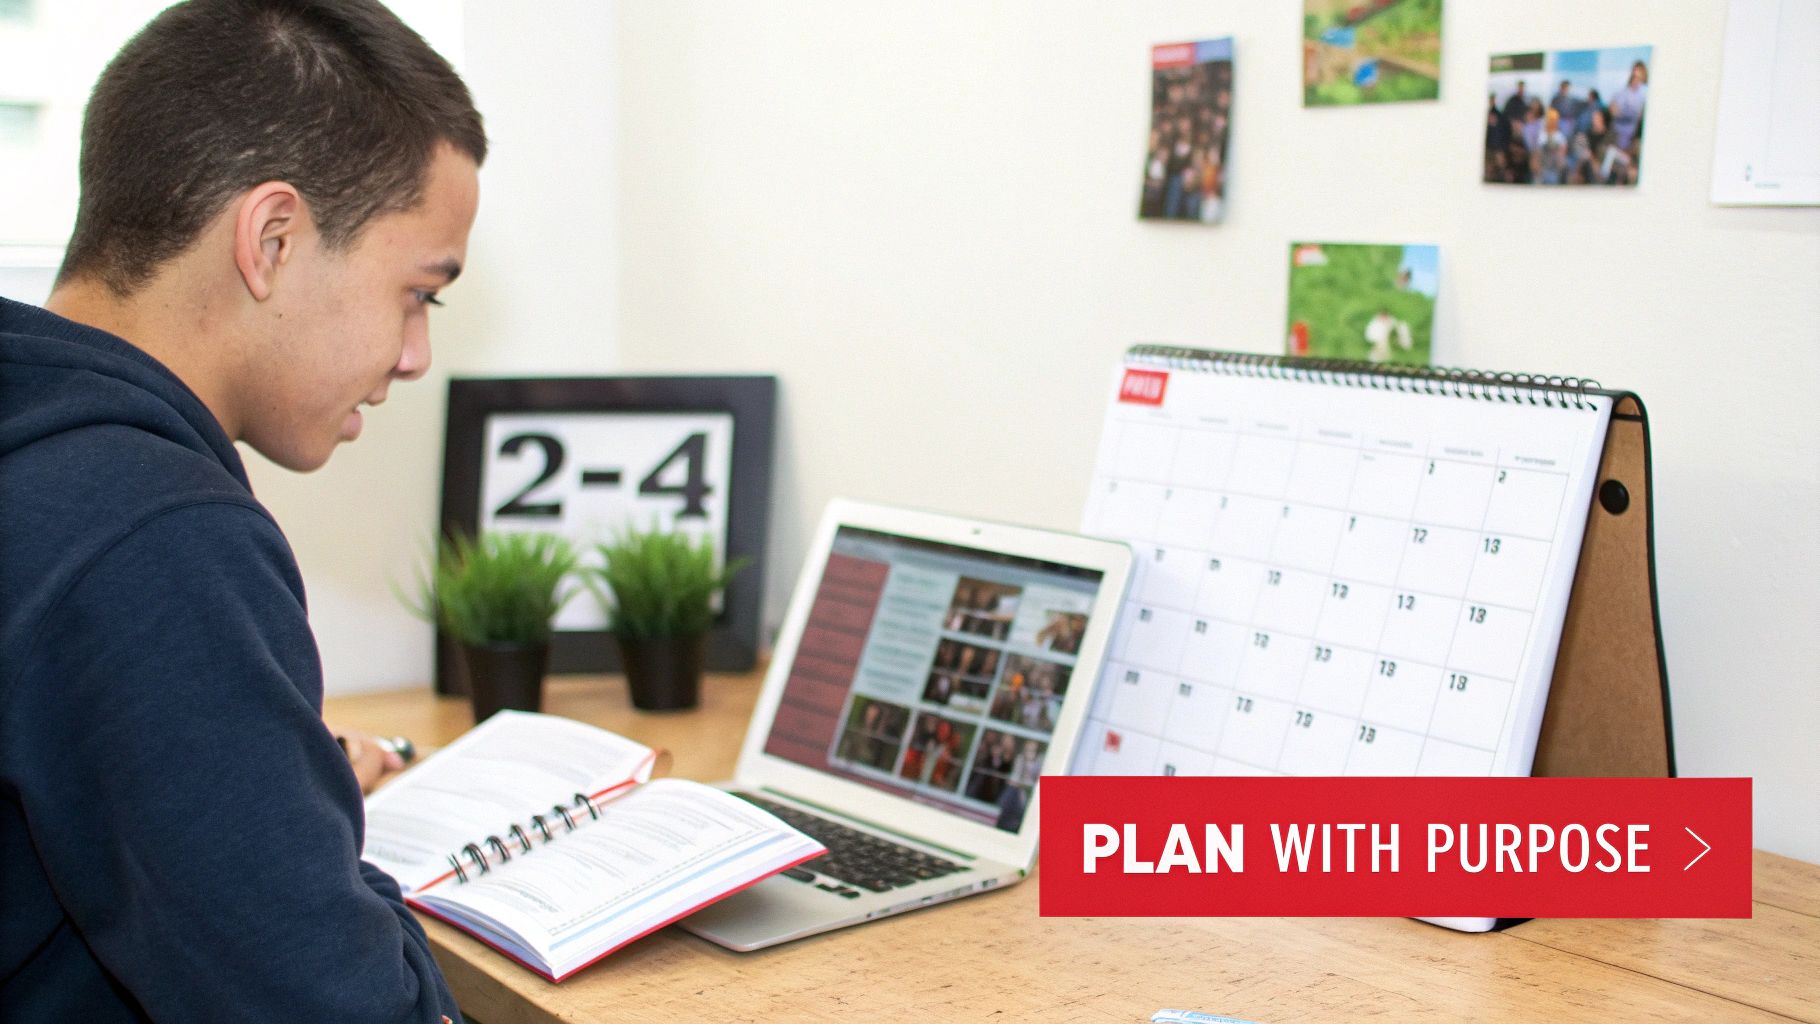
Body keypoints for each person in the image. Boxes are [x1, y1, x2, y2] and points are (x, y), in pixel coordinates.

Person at [0, 1, 484, 1019]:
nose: (413, 356)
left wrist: (261, 771)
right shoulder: (150, 531)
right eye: (418, 292)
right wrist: (312, 829)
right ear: (271, 237)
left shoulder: (37, 436)